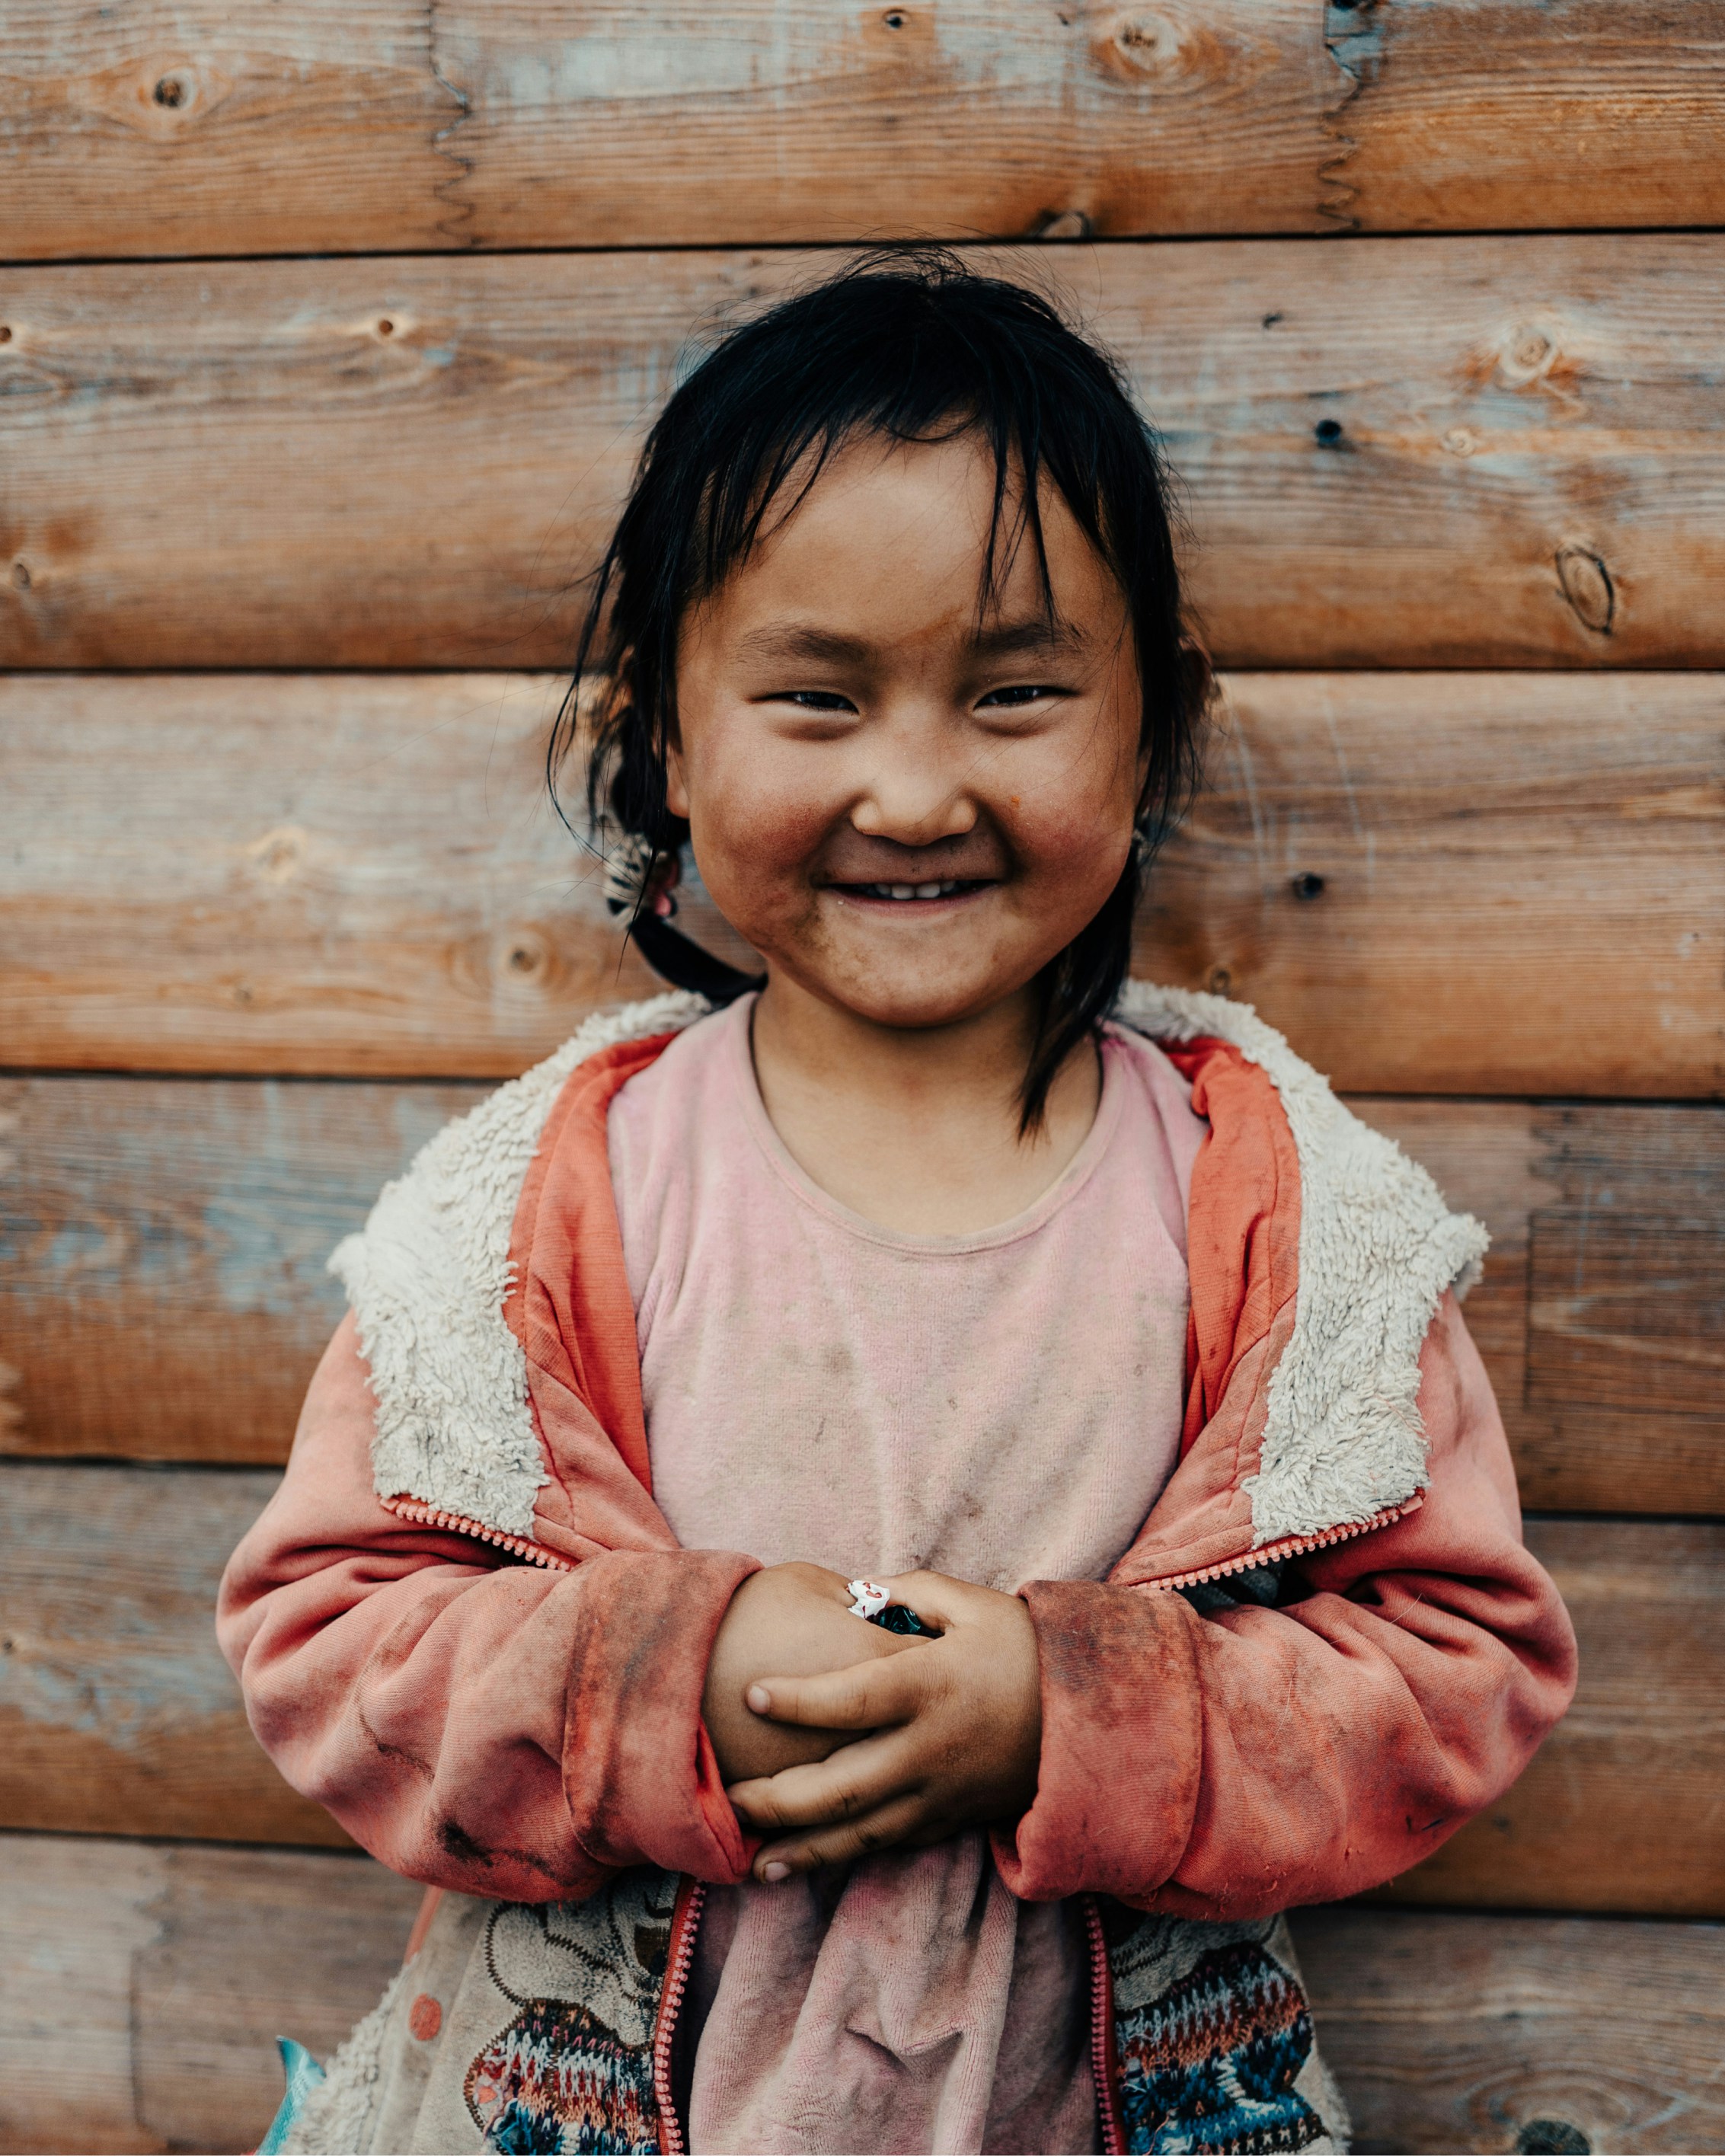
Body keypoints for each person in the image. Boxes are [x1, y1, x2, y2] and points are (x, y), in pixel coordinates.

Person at [220, 252, 1576, 2156]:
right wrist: (667, 1674)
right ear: (671, 737)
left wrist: (1072, 1712)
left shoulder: (1281, 1222)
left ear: (1148, 726)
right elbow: (332, 1640)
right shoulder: (541, 1208)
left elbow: (1451, 1663)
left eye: (1014, 692)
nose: (918, 789)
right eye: (815, 698)